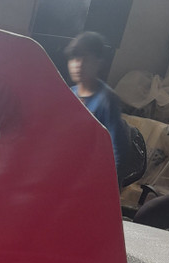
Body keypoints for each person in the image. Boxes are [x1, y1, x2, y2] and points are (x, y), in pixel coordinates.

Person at [65, 31, 131, 189]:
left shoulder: (106, 100)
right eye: (75, 58)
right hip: (69, 174)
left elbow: (117, 151)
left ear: (98, 63)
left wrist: (108, 188)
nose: (79, 64)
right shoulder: (69, 94)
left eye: (86, 58)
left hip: (90, 180)